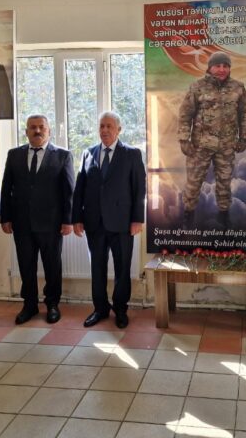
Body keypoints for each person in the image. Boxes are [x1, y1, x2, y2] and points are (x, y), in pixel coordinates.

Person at [72, 111, 146, 329]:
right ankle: (100, 309)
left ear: (119, 130)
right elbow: (79, 189)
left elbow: (139, 189)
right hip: (94, 223)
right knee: (97, 268)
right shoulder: (88, 153)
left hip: (122, 223)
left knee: (122, 269)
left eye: (109, 126)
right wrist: (76, 218)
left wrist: (137, 219)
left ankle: (120, 309)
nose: (104, 130)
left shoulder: (132, 154)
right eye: (101, 126)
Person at [1, 115, 74, 325]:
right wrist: (5, 217)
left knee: (52, 266)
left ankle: (52, 304)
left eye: (42, 127)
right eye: (33, 127)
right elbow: (6, 188)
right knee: (26, 265)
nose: (37, 131)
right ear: (26, 132)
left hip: (51, 223)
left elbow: (69, 191)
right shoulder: (14, 155)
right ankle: (29, 305)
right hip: (21, 222)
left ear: (49, 131)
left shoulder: (63, 156)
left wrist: (68, 220)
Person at [178, 51, 246, 228]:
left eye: (225, 66)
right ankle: (188, 214)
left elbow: (245, 114)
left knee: (224, 182)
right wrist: (184, 139)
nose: (222, 69)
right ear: (210, 68)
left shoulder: (238, 88)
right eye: (218, 66)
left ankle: (224, 215)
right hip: (200, 146)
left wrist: (244, 138)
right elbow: (185, 114)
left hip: (226, 145)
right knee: (193, 182)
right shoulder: (197, 87)